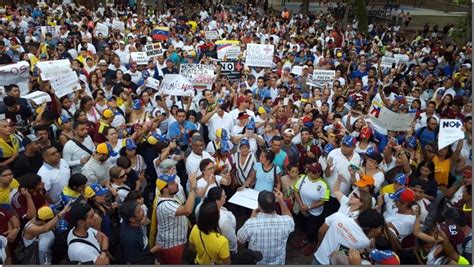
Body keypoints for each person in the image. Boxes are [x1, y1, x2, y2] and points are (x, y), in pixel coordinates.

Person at [237, 190, 295, 264]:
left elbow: (240, 240)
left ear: (259, 206)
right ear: (274, 204)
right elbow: (290, 219)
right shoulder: (286, 222)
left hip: (257, 262)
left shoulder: (250, 224)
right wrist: (281, 201)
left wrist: (252, 218)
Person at [150, 172, 197, 264]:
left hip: (175, 242)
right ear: (165, 190)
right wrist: (192, 189)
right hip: (172, 246)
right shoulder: (166, 205)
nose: (176, 184)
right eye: (172, 183)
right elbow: (187, 210)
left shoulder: (171, 196)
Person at [313, 209, 385, 265]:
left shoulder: (338, 216)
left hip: (319, 257)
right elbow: (345, 251)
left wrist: (320, 243)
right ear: (370, 228)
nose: (379, 231)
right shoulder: (364, 241)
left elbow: (321, 231)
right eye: (379, 228)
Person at [293, 162, 330, 255]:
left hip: (315, 213)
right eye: (309, 170)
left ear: (319, 173)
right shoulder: (303, 178)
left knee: (312, 230)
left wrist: (308, 207)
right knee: (303, 227)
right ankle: (305, 240)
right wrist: (301, 205)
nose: (310, 173)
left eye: (313, 172)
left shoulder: (324, 185)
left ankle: (311, 244)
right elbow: (296, 191)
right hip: (302, 210)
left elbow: (323, 201)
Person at [119, 200, 159, 264]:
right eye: (139, 211)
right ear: (132, 219)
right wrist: (153, 250)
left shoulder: (133, 223)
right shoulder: (131, 239)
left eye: (141, 208)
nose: (143, 211)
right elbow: (136, 261)